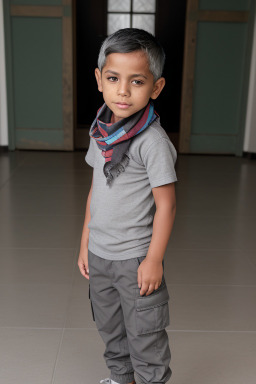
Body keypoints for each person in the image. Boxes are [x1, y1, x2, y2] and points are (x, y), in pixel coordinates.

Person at [78, 28, 177, 384]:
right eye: (113, 78)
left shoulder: (153, 142)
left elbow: (166, 206)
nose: (122, 90)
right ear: (99, 79)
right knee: (110, 327)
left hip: (135, 258)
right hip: (100, 253)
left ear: (156, 87)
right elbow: (95, 189)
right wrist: (85, 243)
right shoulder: (100, 131)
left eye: (136, 81)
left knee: (144, 333)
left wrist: (153, 260)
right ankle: (123, 378)